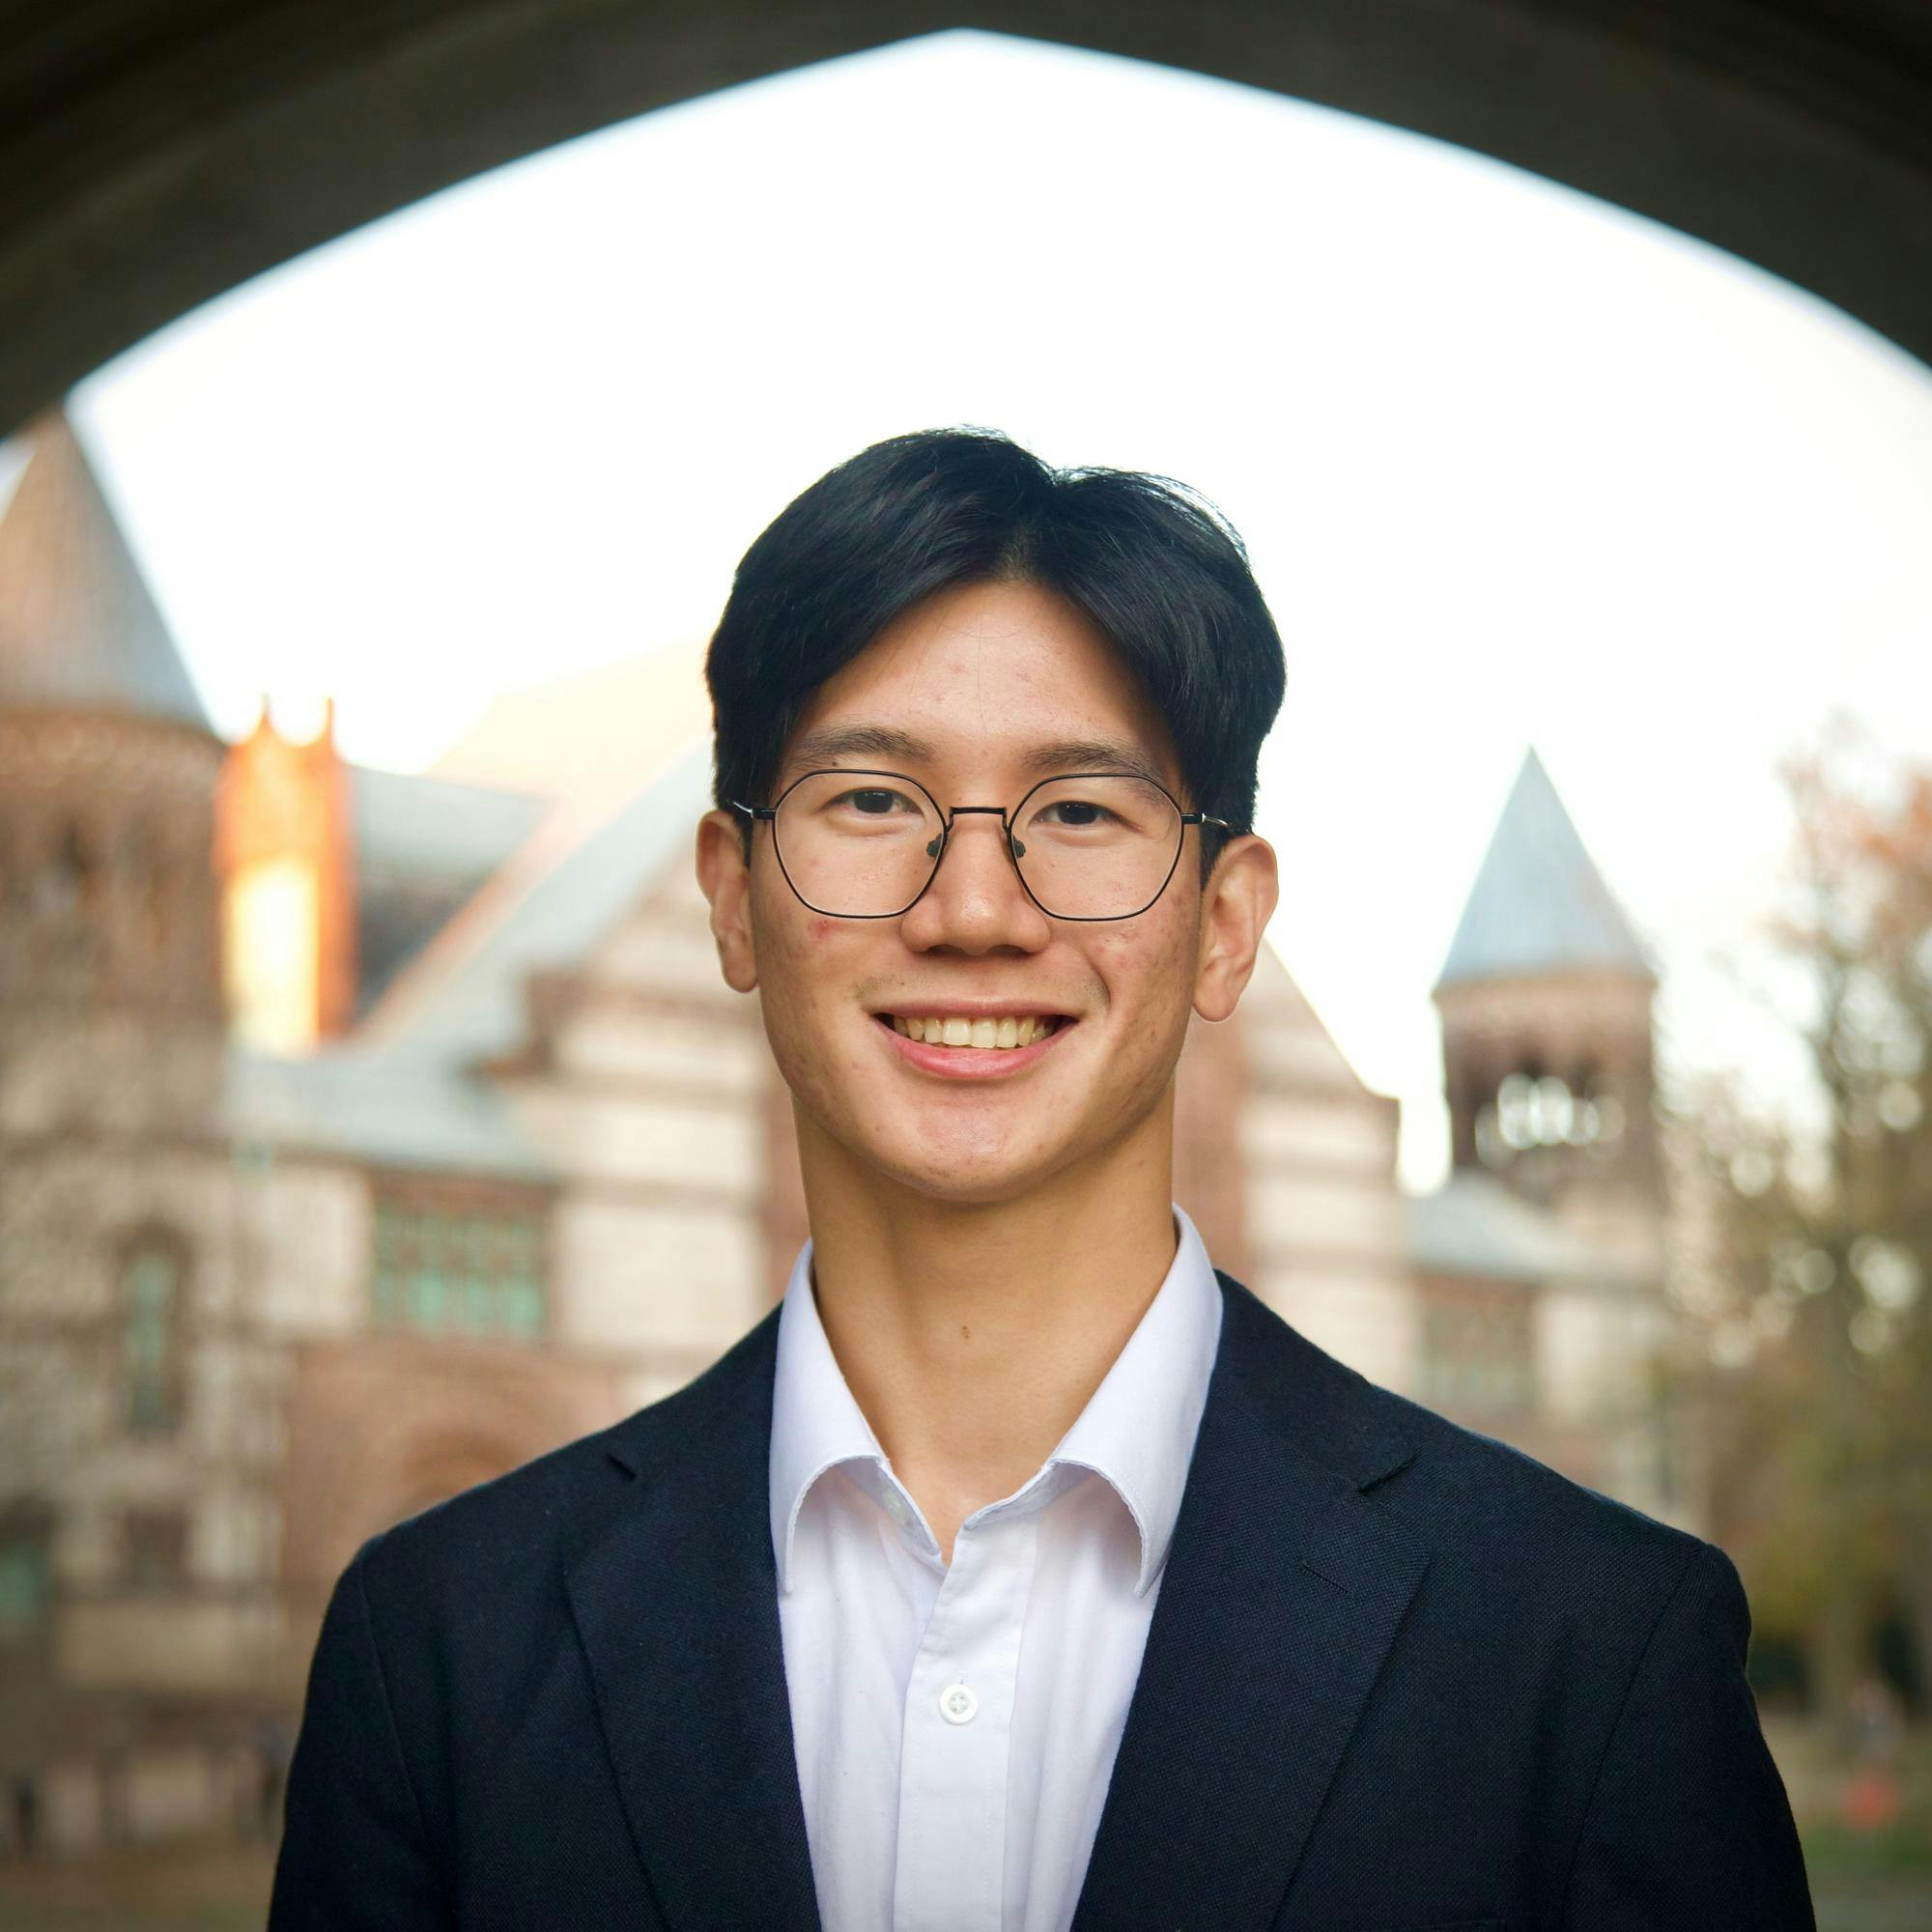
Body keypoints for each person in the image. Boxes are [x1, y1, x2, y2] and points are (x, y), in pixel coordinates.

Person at [268, 428, 1816, 1929]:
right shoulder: (438, 1657)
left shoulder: (1592, 1656)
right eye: (874, 802)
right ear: (733, 901)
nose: (975, 908)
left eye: (1079, 811)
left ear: (1225, 924)